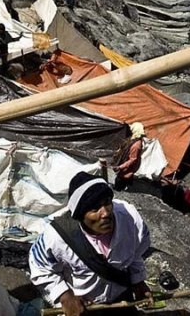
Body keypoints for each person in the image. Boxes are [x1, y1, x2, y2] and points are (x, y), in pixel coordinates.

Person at [29, 172, 153, 315]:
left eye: (107, 203)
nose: (106, 213)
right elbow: (40, 267)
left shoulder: (131, 219)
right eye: (95, 209)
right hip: (84, 305)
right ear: (80, 215)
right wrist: (64, 295)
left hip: (121, 296)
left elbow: (136, 252)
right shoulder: (57, 236)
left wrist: (138, 281)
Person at [113, 122, 145, 191]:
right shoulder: (134, 139)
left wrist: (120, 167)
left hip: (127, 169)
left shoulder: (136, 145)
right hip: (127, 168)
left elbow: (133, 159)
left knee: (119, 183)